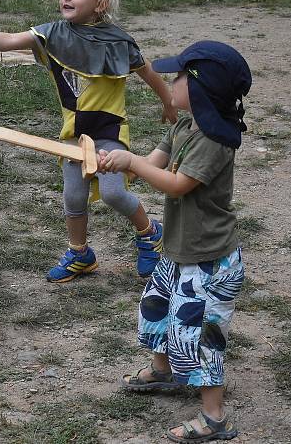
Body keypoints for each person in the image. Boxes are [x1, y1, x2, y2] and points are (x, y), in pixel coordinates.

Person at [0, 0, 177, 283]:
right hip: (74, 134)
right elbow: (9, 38)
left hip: (110, 131)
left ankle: (149, 232)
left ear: (99, 2)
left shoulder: (119, 42)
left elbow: (149, 73)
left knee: (113, 194)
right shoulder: (53, 34)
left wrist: (168, 102)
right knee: (73, 196)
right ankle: (80, 253)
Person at [98, 40, 251, 442]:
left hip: (209, 260)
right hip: (180, 251)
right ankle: (163, 371)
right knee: (156, 307)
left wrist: (132, 165)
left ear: (200, 88)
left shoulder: (214, 141)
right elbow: (152, 165)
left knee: (200, 335)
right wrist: (119, 164)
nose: (172, 81)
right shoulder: (185, 125)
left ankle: (215, 417)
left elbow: (179, 185)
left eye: (180, 75)